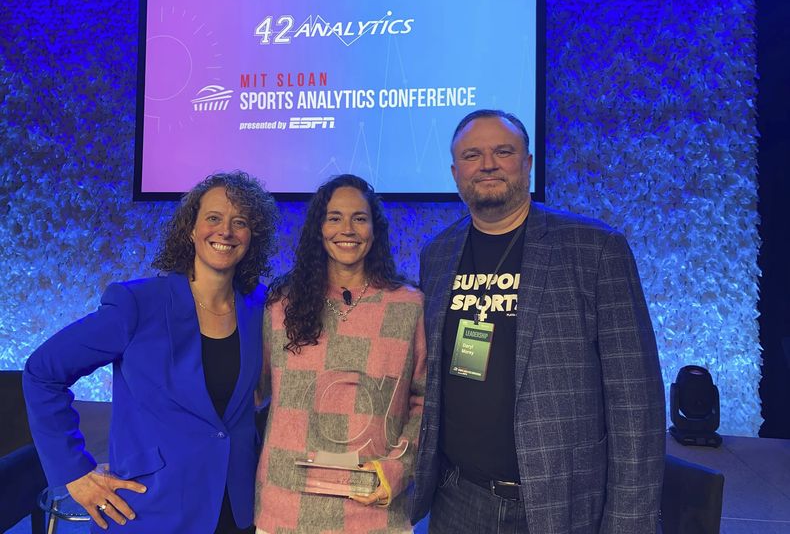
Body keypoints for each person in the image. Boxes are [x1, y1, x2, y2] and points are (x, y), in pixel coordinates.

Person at [411, 110, 666, 533]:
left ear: (527, 163)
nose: (487, 164)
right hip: (457, 499)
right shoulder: (436, 255)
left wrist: (629, 522)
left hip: (559, 504)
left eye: (503, 151)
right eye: (472, 155)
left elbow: (636, 401)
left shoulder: (594, 248)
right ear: (456, 172)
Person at [23, 171, 279, 533]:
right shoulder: (137, 303)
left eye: (240, 223)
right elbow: (41, 372)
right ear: (191, 230)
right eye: (214, 218)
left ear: (252, 237)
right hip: (150, 509)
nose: (226, 231)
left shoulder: (260, 307)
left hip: (237, 510)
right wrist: (73, 472)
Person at [254, 174, 426, 534]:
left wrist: (399, 469)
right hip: (285, 509)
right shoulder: (281, 306)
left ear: (374, 229)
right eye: (334, 218)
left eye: (359, 218)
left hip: (374, 513)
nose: (347, 229)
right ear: (318, 228)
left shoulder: (409, 306)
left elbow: (425, 404)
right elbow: (256, 393)